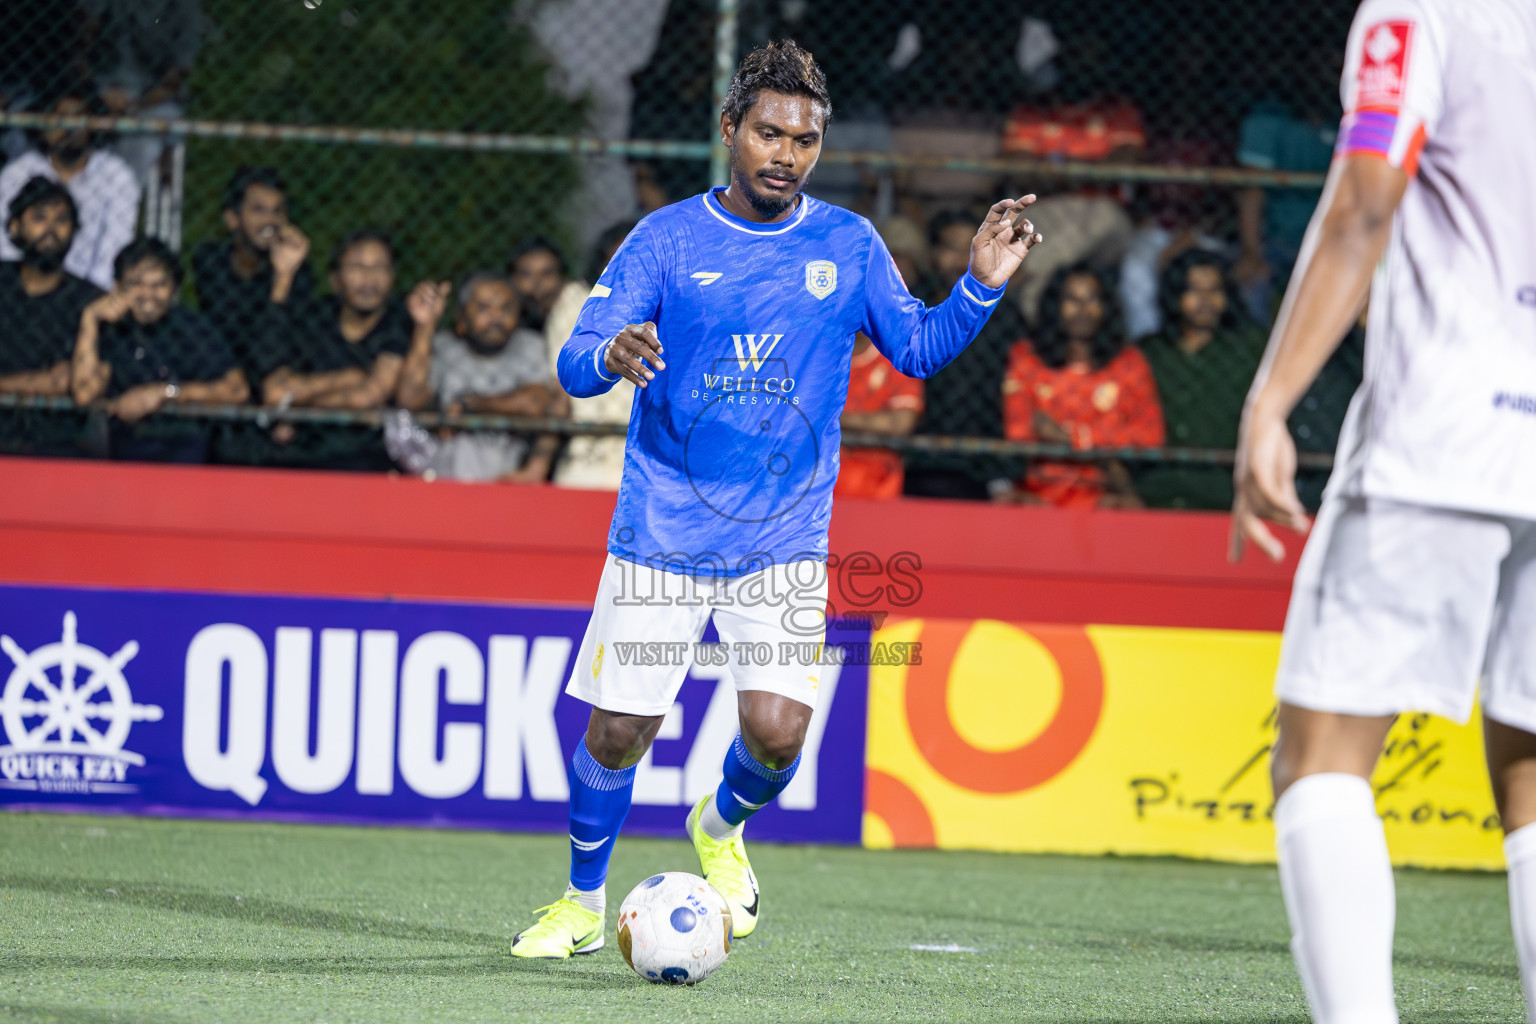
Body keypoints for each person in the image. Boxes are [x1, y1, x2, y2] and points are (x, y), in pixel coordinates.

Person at [510, 39, 1043, 960]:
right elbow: (574, 358)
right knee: (621, 728)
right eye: (768, 133)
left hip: (784, 539)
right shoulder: (667, 238)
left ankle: (718, 827)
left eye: (804, 139)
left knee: (777, 733)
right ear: (731, 130)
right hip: (664, 532)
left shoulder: (847, 242)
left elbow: (915, 347)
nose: (785, 154)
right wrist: (609, 355)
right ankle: (580, 904)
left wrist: (979, 287)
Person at [1229, 4, 1536, 1023]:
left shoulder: (1422, 9)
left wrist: (1272, 398)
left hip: (1443, 436)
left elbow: (1366, 201)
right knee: (1532, 769)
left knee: (1320, 757)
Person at [259, 228, 438, 471]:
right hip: (305, 452)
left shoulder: (397, 324)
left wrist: (297, 409)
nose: (368, 278)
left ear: (392, 278)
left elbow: (370, 395)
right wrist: (349, 378)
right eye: (356, 267)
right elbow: (274, 391)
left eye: (379, 267)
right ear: (335, 279)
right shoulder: (315, 318)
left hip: (368, 456)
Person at [997, 265, 1163, 509]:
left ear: (1106, 307)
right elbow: (1019, 431)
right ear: (1056, 305)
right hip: (1039, 490)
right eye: (1072, 300)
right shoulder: (1026, 357)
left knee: (1129, 508)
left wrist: (1074, 438)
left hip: (1104, 489)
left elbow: (1150, 436)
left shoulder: (1128, 362)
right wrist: (1103, 438)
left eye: (1092, 299)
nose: (1082, 310)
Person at [70, 237, 247, 462]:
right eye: (136, 284)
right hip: (122, 455)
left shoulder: (190, 326)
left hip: (184, 452)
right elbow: (85, 393)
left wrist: (165, 393)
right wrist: (90, 320)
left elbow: (236, 390)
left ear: (173, 289)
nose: (148, 294)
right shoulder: (109, 329)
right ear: (117, 288)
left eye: (159, 285)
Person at [902, 210, 1029, 501]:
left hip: (981, 460)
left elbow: (1010, 395)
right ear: (933, 253)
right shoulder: (910, 305)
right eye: (950, 248)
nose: (961, 260)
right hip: (915, 455)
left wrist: (1001, 474)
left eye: (969, 249)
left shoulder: (1003, 314)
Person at [395, 271, 560, 483]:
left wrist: (471, 405)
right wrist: (425, 328)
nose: (496, 317)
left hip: (511, 482)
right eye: (483, 308)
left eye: (506, 308)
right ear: (461, 318)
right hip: (447, 482)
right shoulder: (443, 346)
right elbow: (409, 399)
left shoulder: (530, 346)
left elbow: (537, 402)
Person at [1136, 251, 1265, 510]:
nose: (1205, 300)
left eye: (1214, 290)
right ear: (1175, 294)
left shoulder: (1248, 352)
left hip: (1224, 489)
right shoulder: (1150, 353)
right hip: (1155, 487)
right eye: (1194, 290)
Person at [0, 85, 140, 290]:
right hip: (24, 286)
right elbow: (4, 241)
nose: (69, 126)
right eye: (60, 117)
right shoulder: (18, 172)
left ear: (92, 124)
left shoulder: (116, 174)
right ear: (42, 124)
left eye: (78, 117)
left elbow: (117, 245)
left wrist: (93, 295)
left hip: (88, 289)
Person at [0, 177, 101, 456]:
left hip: (55, 441)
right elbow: (51, 382)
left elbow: (68, 382)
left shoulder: (88, 300)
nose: (51, 230)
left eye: (62, 220)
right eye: (40, 218)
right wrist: (37, 382)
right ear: (14, 226)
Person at [192, 167, 314, 391]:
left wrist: (283, 278)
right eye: (259, 210)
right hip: (224, 383)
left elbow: (271, 356)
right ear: (232, 219)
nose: (270, 220)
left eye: (278, 211)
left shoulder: (297, 270)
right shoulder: (211, 261)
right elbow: (232, 336)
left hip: (275, 386)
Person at [835, 333, 923, 500]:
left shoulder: (896, 357)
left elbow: (900, 424)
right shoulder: (812, 356)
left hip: (877, 487)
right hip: (815, 486)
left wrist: (835, 419)